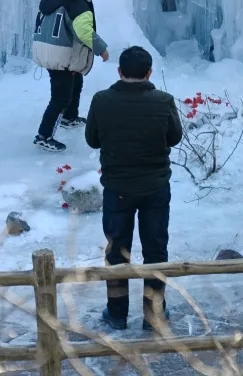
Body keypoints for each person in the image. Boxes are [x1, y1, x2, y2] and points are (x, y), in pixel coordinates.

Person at [85, 46, 183, 332]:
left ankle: (116, 313)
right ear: (149, 72)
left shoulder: (102, 101)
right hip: (155, 187)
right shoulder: (163, 101)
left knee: (117, 252)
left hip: (117, 188)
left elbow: (92, 139)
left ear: (119, 72)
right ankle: (153, 313)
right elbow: (174, 137)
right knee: (155, 250)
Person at [31, 0, 110, 152]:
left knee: (76, 83)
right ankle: (44, 136)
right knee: (60, 98)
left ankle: (69, 117)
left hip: (50, 51)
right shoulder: (77, 2)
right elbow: (83, 31)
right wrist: (101, 49)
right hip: (62, 57)